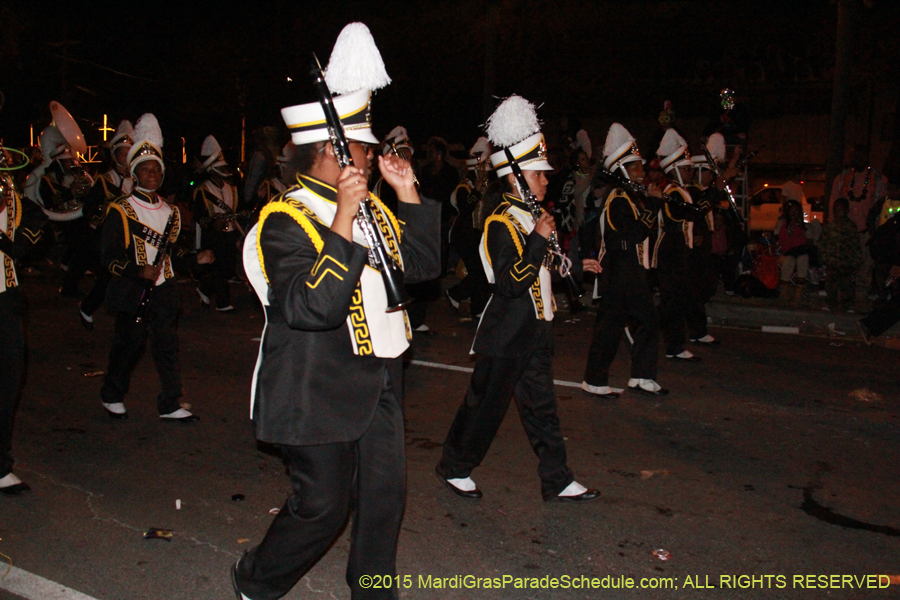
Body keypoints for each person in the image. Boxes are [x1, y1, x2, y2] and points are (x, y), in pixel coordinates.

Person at [234, 22, 440, 600]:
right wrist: (345, 219)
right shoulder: (286, 219)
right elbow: (310, 307)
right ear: (329, 151)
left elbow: (419, 272)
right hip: (316, 384)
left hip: (380, 376)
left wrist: (408, 195)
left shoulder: (372, 206)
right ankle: (256, 580)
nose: (375, 156)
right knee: (322, 507)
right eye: (364, 147)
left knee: (383, 501)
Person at [435, 95, 599, 503]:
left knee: (543, 411)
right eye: (538, 174)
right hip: (506, 332)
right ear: (517, 177)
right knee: (484, 407)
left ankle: (556, 479)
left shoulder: (533, 218)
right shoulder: (500, 222)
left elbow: (548, 274)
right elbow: (510, 282)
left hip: (537, 331)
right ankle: (453, 467)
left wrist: (578, 269)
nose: (546, 181)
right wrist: (539, 240)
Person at [99, 114, 213, 422]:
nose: (152, 173)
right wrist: (136, 271)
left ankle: (169, 401)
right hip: (131, 289)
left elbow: (170, 258)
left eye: (156, 169)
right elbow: (107, 257)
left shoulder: (171, 212)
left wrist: (195, 259)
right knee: (128, 346)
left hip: (164, 291)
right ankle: (112, 393)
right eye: (145, 169)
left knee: (166, 346)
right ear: (134, 173)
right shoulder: (120, 210)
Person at [582, 123, 668, 397]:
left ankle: (640, 376)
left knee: (640, 322)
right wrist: (654, 204)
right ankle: (596, 380)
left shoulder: (629, 198)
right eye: (636, 168)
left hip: (628, 270)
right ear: (621, 171)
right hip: (619, 269)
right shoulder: (619, 199)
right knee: (613, 326)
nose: (642, 173)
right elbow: (633, 235)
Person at [0, 149, 47, 495]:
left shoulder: (15, 201)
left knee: (8, 379)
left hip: (5, 300)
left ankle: (0, 464)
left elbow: (28, 239)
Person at [653, 129, 706, 362]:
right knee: (673, 302)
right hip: (670, 254)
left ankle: (673, 340)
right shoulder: (673, 193)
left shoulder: (682, 191)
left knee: (677, 300)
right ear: (674, 169)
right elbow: (686, 213)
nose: (689, 172)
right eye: (685, 168)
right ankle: (673, 345)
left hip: (679, 254)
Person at [77, 120, 135, 330]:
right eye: (122, 153)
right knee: (107, 278)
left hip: (132, 237)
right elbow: (88, 211)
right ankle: (87, 306)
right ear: (114, 155)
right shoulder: (105, 180)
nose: (126, 158)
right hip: (109, 238)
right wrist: (106, 209)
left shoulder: (138, 180)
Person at [446, 137, 492, 320]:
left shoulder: (485, 187)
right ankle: (462, 297)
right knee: (478, 272)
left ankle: (465, 300)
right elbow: (466, 209)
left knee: (479, 272)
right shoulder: (464, 187)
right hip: (463, 236)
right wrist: (478, 190)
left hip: (477, 235)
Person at [193, 135, 240, 311]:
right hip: (213, 235)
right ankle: (223, 302)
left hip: (230, 233)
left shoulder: (231, 188)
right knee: (219, 268)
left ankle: (204, 289)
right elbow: (200, 216)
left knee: (227, 268)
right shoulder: (203, 190)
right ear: (211, 170)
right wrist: (214, 223)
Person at [820, 197, 862, 311]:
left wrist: (856, 262)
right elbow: (823, 243)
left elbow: (855, 245)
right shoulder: (830, 226)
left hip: (846, 261)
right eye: (836, 210)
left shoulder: (851, 227)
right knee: (831, 284)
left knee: (846, 284)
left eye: (841, 210)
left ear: (847, 211)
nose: (838, 213)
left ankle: (847, 304)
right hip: (832, 261)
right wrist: (824, 258)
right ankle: (831, 303)